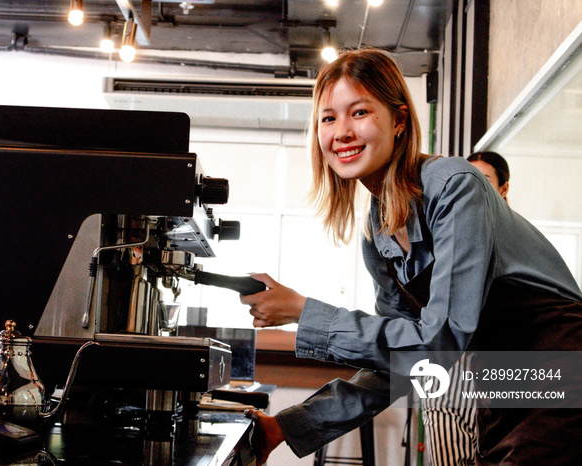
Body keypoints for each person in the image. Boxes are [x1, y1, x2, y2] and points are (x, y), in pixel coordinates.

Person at [240, 48, 582, 465]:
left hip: (562, 368)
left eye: (359, 112)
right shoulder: (377, 231)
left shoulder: (455, 187)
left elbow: (439, 344)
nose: (341, 132)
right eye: (328, 118)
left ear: (399, 120)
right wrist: (285, 427)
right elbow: (398, 365)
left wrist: (303, 310)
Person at [421, 151, 510, 466]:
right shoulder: (444, 232)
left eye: (483, 182)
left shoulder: (517, 242)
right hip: (449, 371)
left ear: (503, 190)